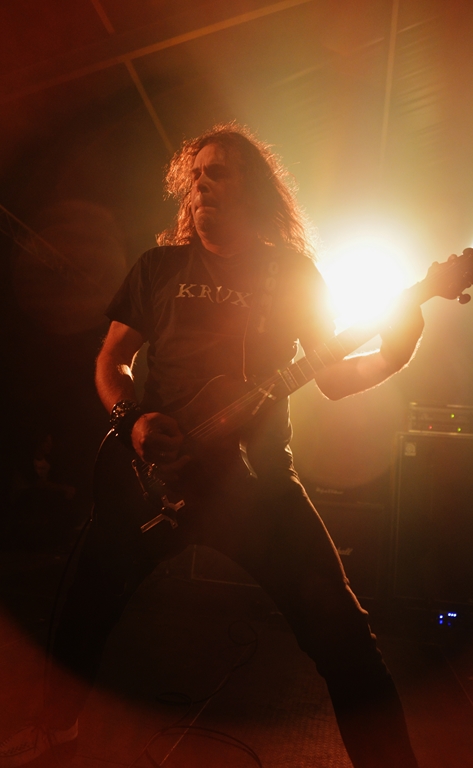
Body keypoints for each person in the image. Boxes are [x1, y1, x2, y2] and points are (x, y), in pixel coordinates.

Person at [0, 124, 423, 767]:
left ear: (254, 189)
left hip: (258, 486)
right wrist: (133, 422)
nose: (201, 184)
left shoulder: (292, 273)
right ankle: (53, 734)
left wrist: (396, 352)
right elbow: (111, 361)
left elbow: (333, 378)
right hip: (154, 474)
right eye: (195, 174)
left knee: (344, 638)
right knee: (82, 612)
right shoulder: (159, 267)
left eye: (218, 171)